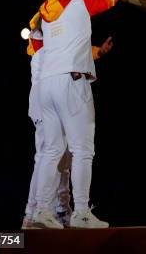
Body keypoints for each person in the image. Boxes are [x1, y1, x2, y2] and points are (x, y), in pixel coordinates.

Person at [31, 0, 138, 229]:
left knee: (52, 150)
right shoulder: (77, 2)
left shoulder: (48, 8)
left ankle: (41, 212)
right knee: (82, 150)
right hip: (72, 83)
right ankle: (80, 213)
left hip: (47, 85)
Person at [22, 33, 113, 229]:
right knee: (48, 156)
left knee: (62, 158)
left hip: (50, 99)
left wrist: (98, 52)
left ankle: (61, 210)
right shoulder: (45, 46)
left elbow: (76, 53)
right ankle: (31, 215)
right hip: (46, 100)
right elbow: (70, 56)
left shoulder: (57, 44)